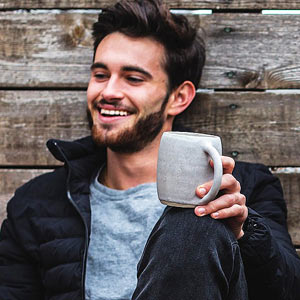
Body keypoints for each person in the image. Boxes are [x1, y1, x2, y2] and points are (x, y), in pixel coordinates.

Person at [0, 0, 299, 299]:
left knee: (196, 219)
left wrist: (244, 231)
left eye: (133, 78)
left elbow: (289, 289)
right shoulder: (36, 204)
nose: (109, 92)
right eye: (101, 75)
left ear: (178, 97)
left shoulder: (247, 189)